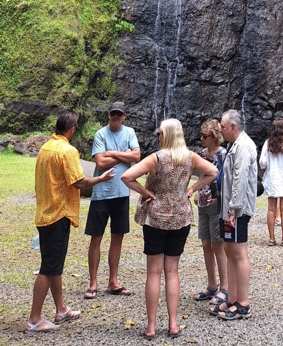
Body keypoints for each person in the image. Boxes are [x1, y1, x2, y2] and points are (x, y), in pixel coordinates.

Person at [121, 118, 217, 340]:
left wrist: (145, 193)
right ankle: (173, 324)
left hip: (156, 218)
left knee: (154, 272)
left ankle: (151, 326)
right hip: (180, 217)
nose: (158, 136)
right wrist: (192, 188)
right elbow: (212, 171)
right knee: (172, 271)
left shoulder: (156, 158)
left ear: (166, 135)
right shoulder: (190, 157)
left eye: (160, 133)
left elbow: (127, 176)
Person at [27, 109, 116, 333]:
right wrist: (101, 178)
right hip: (58, 214)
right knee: (48, 267)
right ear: (72, 129)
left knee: (54, 265)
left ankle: (61, 309)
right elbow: (79, 182)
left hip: (45, 212)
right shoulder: (67, 151)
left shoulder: (46, 147)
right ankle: (35, 319)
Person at [84, 101, 140, 299]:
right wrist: (124, 155)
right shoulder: (100, 134)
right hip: (101, 193)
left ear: (124, 116)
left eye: (119, 114)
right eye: (113, 114)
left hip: (122, 193)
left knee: (118, 237)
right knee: (96, 237)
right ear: (109, 115)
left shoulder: (129, 132)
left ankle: (113, 281)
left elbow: (137, 157)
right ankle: (93, 282)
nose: (115, 117)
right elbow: (100, 162)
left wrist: (112, 153)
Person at [216, 109, 258, 321]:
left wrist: (233, 210)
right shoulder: (235, 145)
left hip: (237, 211)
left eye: (222, 127)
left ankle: (243, 304)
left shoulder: (243, 147)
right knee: (229, 250)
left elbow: (240, 180)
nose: (220, 131)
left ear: (233, 127)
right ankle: (232, 298)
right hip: (230, 210)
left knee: (239, 252)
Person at [193, 119, 228, 312]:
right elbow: (201, 176)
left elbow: (224, 178)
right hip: (203, 202)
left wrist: (218, 197)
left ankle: (225, 287)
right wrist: (197, 191)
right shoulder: (203, 154)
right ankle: (211, 285)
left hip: (216, 204)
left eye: (205, 136)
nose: (201, 139)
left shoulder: (223, 154)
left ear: (215, 137)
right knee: (206, 243)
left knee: (218, 244)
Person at [259, 118, 283, 247]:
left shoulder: (267, 143)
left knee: (271, 209)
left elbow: (262, 164)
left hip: (272, 179)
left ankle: (271, 239)